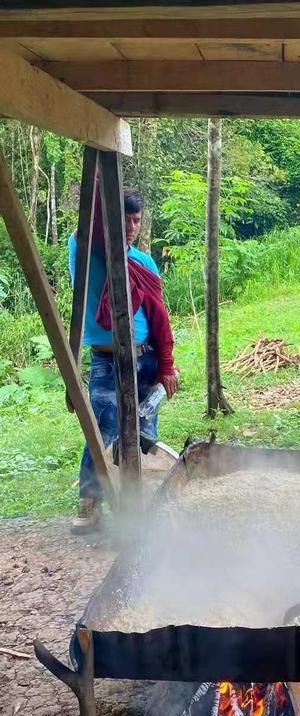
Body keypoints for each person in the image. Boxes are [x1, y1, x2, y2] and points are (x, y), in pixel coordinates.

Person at [68, 185, 179, 532]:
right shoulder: (87, 251)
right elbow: (94, 213)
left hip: (144, 360)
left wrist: (166, 365)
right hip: (106, 361)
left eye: (136, 220)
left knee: (146, 433)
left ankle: (137, 508)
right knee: (103, 431)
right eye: (124, 219)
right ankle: (90, 504)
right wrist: (103, 174)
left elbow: (160, 317)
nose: (131, 226)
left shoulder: (144, 262)